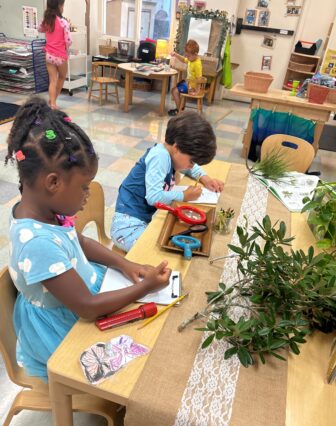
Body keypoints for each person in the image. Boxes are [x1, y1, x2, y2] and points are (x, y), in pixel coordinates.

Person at [5, 96, 171, 382]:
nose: (87, 196)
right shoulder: (36, 242)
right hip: (62, 326)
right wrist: (143, 289)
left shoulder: (45, 210)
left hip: (78, 295)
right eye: (83, 188)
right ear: (53, 182)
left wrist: (125, 265)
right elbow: (86, 306)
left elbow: (77, 241)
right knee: (139, 369)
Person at [111, 111, 223, 252]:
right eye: (192, 161)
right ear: (176, 148)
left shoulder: (171, 153)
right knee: (160, 251)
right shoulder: (160, 157)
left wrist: (204, 178)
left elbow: (187, 166)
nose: (192, 165)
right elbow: (154, 197)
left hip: (142, 219)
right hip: (127, 226)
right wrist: (184, 196)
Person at [39, 0, 72, 109]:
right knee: (62, 77)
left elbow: (40, 29)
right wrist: (68, 50)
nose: (63, 8)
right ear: (59, 6)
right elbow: (68, 41)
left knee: (52, 80)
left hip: (49, 55)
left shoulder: (47, 21)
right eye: (63, 5)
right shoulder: (64, 22)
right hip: (61, 56)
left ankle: (52, 103)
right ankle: (53, 100)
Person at [168, 39, 203, 116]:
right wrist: (175, 54)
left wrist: (197, 91)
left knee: (174, 91)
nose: (187, 57)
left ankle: (179, 111)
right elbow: (184, 60)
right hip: (189, 83)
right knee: (176, 87)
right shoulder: (192, 60)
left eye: (188, 56)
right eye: (187, 55)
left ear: (195, 54)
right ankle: (180, 108)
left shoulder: (197, 64)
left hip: (192, 87)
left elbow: (199, 79)